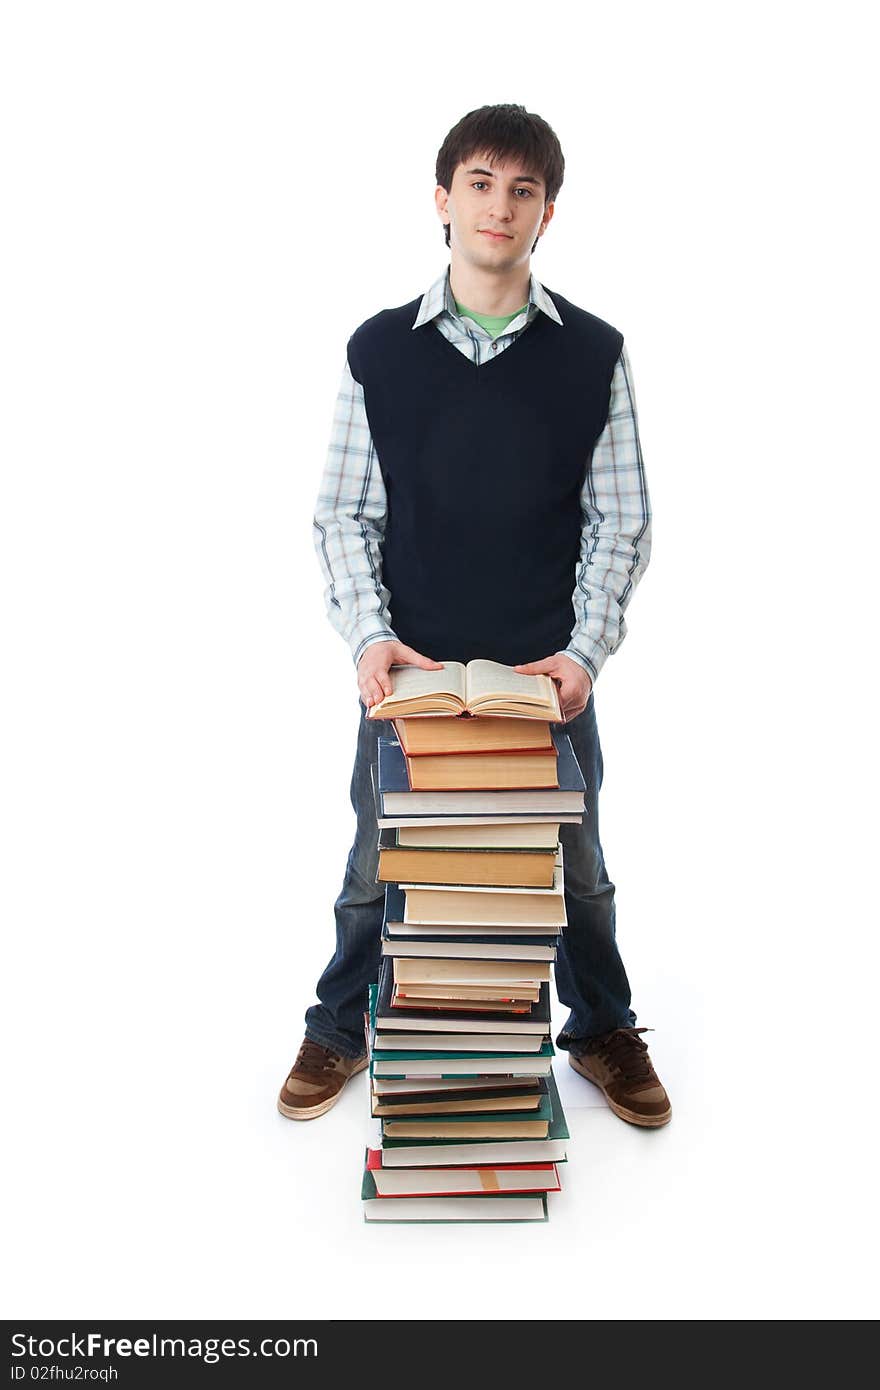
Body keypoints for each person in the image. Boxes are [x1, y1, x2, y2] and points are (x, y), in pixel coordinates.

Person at [277, 103, 671, 1129]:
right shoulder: (378, 350)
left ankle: (599, 1027)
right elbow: (343, 514)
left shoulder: (593, 354)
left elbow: (620, 521)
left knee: (575, 862)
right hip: (412, 674)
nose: (501, 206)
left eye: (524, 189)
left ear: (549, 213)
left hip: (543, 679)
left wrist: (584, 651)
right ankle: (340, 1022)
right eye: (482, 183)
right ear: (442, 198)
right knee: (376, 856)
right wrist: (369, 639)